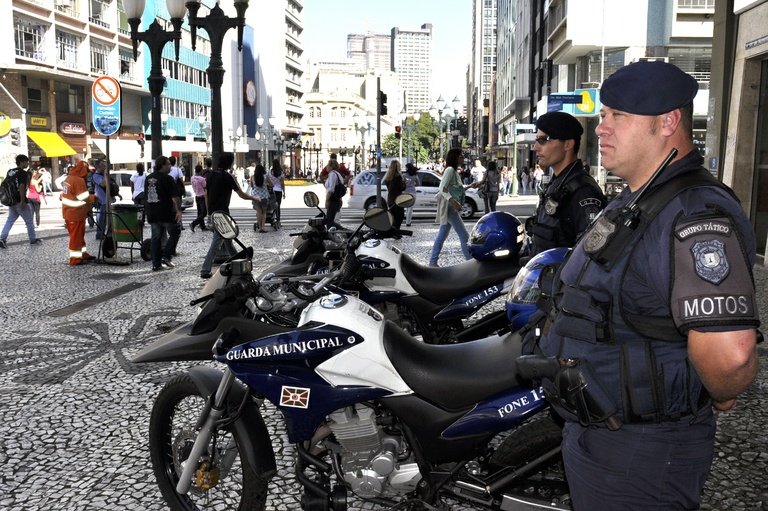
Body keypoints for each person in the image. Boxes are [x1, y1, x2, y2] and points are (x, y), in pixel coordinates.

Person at [529, 61, 760, 510]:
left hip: (642, 453)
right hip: (605, 436)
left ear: (668, 122)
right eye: (604, 115)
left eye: (618, 116)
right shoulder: (641, 196)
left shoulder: (695, 215)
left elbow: (731, 356)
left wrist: (722, 391)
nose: (602, 128)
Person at [526, 111, 606, 256]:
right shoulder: (557, 182)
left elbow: (592, 257)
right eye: (537, 140)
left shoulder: (583, 192)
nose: (535, 147)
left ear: (568, 144)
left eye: (543, 140)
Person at [200, 152, 263, 279]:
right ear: (229, 163)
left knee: (228, 240)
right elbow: (241, 194)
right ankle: (205, 270)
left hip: (213, 212)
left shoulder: (210, 175)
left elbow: (206, 194)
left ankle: (238, 263)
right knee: (217, 242)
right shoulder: (227, 176)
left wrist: (208, 212)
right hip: (222, 214)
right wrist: (254, 197)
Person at [428, 148, 472, 267]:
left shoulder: (454, 171)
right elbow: (442, 188)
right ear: (455, 158)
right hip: (450, 207)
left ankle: (433, 261)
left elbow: (456, 189)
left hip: (451, 207)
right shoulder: (450, 170)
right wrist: (454, 201)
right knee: (464, 236)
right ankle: (471, 262)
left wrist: (470, 186)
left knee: (442, 235)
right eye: (461, 156)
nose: (463, 158)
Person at [145, 155, 182, 272]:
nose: (170, 166)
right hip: (166, 212)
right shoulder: (168, 179)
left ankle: (156, 264)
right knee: (175, 232)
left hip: (152, 212)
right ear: (162, 165)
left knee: (156, 238)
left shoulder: (148, 178)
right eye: (168, 164)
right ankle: (166, 256)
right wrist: (178, 210)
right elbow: (175, 197)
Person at [0, 154, 42, 248]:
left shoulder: (10, 171)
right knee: (29, 221)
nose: (28, 163)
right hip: (19, 200)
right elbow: (22, 186)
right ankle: (33, 239)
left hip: (11, 200)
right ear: (22, 162)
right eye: (27, 161)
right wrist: (23, 201)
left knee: (10, 220)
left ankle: (2, 238)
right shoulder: (22, 173)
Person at [60, 159, 96, 266]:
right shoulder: (78, 180)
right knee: (75, 237)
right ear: (83, 170)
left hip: (71, 213)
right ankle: (75, 259)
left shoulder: (69, 178)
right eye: (86, 171)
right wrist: (94, 198)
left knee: (79, 235)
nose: (87, 174)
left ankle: (83, 254)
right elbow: (83, 197)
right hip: (75, 213)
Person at [385, 160, 406, 229]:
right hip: (397, 200)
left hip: (390, 199)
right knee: (400, 216)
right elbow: (401, 188)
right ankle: (395, 231)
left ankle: (394, 231)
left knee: (394, 217)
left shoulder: (388, 177)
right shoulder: (398, 177)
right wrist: (404, 182)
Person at [324, 159, 345, 229]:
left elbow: (331, 189)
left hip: (333, 201)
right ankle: (344, 233)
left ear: (331, 166)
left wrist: (327, 200)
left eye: (328, 165)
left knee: (329, 222)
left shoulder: (332, 174)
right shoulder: (336, 174)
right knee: (330, 221)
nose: (326, 167)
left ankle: (347, 233)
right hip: (336, 200)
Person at [250, 164, 270, 233]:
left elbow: (252, 186)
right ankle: (262, 227)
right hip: (264, 196)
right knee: (264, 212)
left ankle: (259, 226)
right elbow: (272, 185)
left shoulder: (252, 177)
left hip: (255, 196)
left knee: (258, 212)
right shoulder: (265, 177)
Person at [189, 164, 208, 232]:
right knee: (204, 213)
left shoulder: (192, 177)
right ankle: (193, 223)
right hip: (202, 196)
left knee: (199, 212)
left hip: (197, 195)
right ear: (200, 171)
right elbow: (205, 187)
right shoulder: (202, 179)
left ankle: (202, 226)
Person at [268, 158, 285, 227]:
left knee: (272, 205)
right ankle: (278, 220)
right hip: (278, 191)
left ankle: (271, 219)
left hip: (271, 190)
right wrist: (284, 192)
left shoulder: (269, 172)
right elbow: (282, 183)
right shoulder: (281, 173)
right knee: (278, 206)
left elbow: (268, 181)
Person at [403, 162, 419, 226]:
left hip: (405, 193)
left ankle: (407, 221)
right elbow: (418, 184)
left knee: (406, 208)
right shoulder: (415, 176)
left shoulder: (403, 175)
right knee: (410, 208)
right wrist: (413, 184)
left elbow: (401, 183)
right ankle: (408, 222)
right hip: (412, 192)